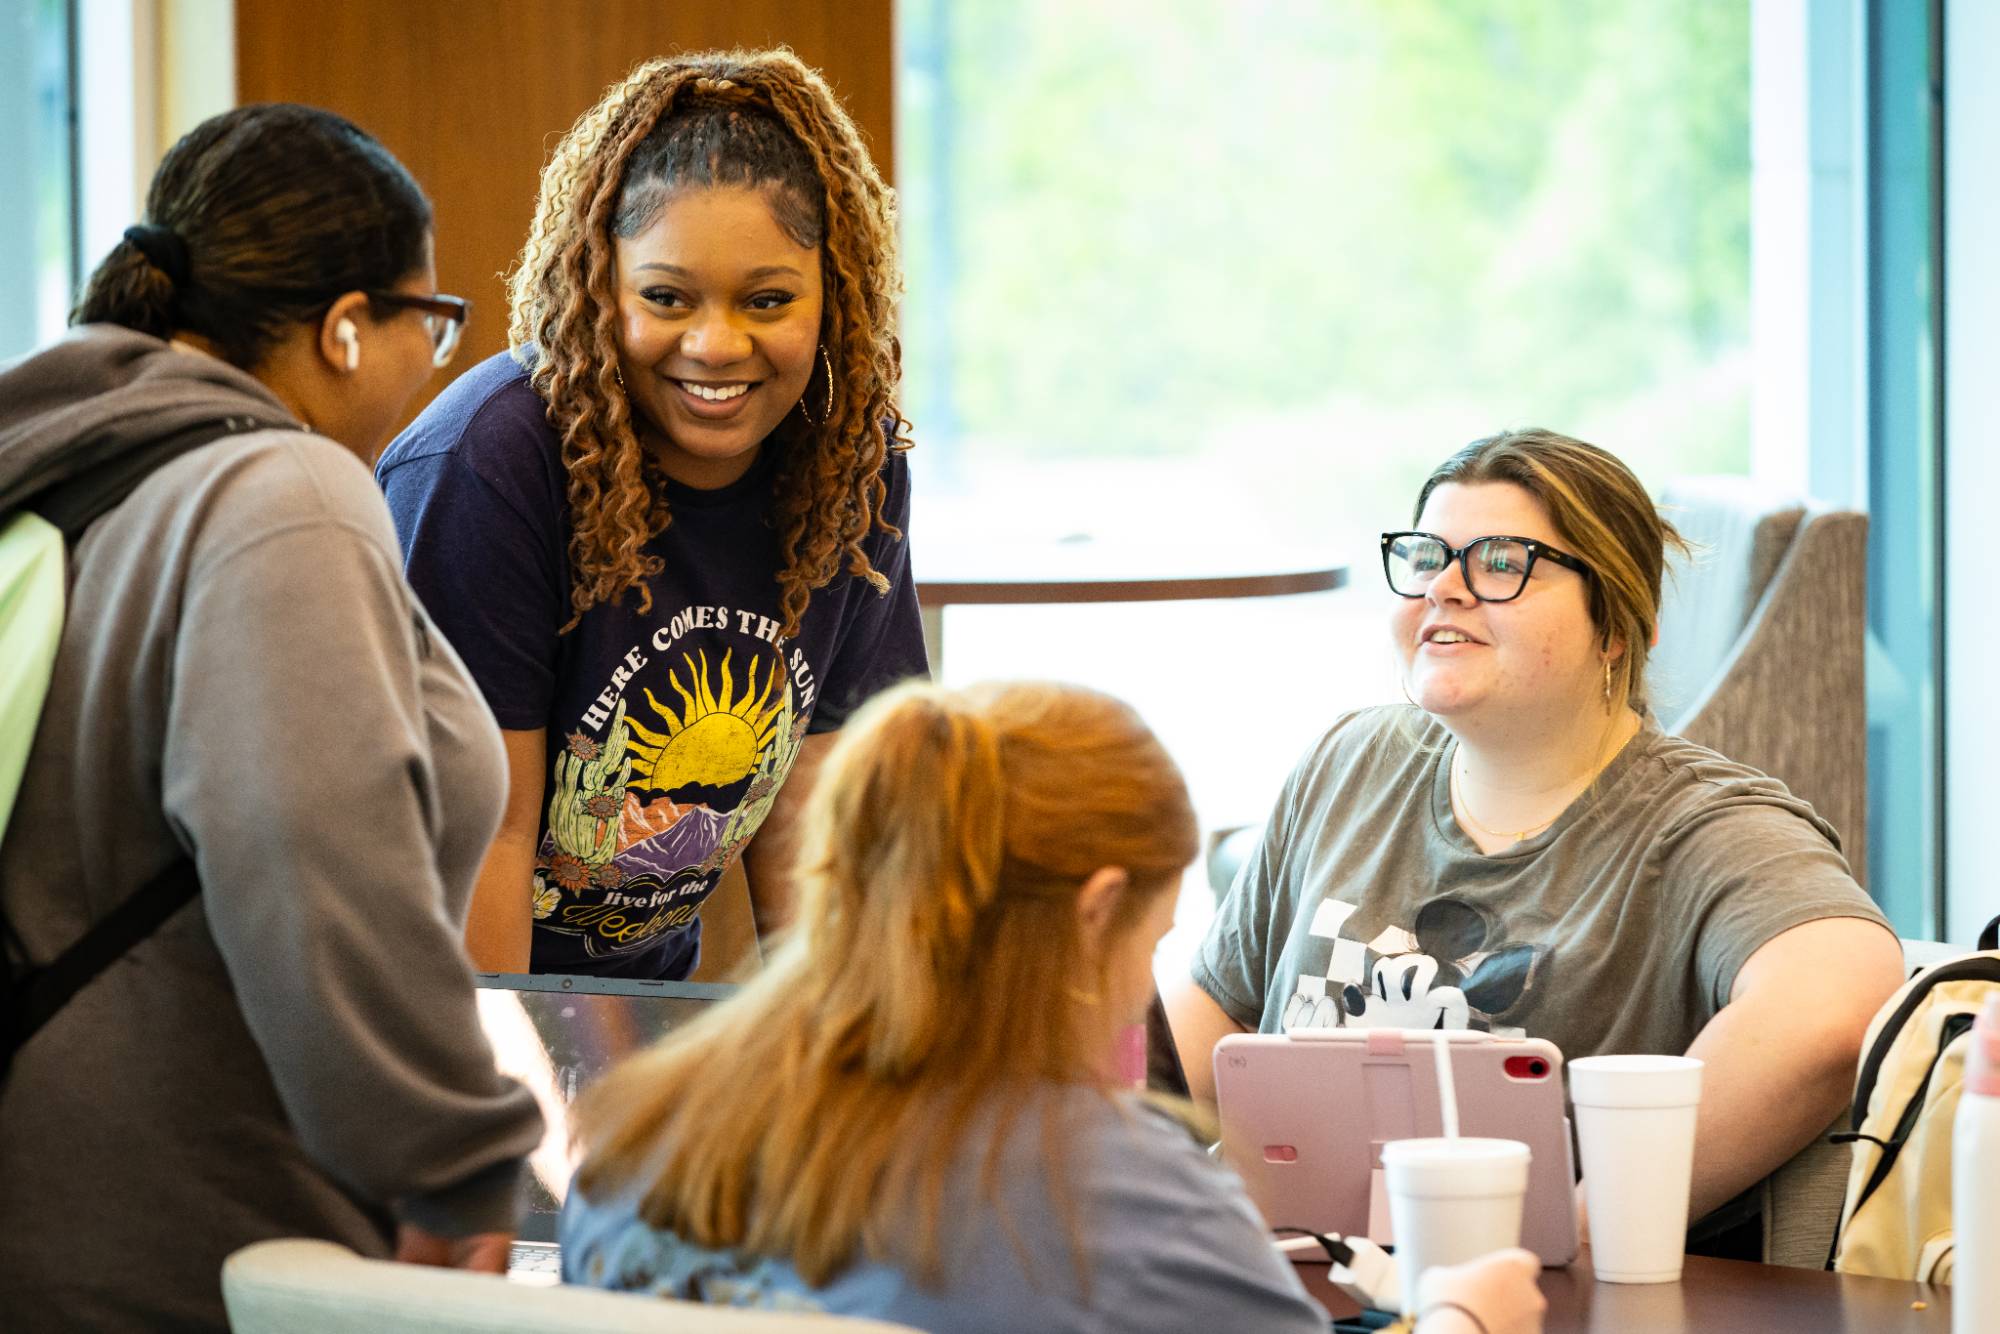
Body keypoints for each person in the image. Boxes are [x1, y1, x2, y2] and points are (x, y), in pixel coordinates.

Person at [0, 104, 541, 1332]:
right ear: (347, 327)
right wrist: (453, 1150)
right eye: (432, 323)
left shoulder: (74, 463)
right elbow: (309, 842)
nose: (434, 362)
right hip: (184, 1241)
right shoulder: (281, 489)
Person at [557, 680, 1547, 1334]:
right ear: (1095, 910)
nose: (1138, 990)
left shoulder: (642, 1133)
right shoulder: (1117, 1205)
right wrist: (1460, 1320)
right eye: (1149, 940)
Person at [1166, 428, 1905, 1245]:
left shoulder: (1702, 827)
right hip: (1281, 1284)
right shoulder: (1350, 760)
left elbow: (1839, 1007)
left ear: (1617, 626)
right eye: (1426, 557)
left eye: (1501, 562)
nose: (1444, 588)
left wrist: (1577, 1235)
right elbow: (1208, 1019)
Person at [377, 49, 926, 981]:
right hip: (437, 1008)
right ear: (601, 287)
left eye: (768, 299)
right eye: (666, 298)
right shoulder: (492, 465)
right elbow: (491, 837)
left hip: (631, 1003)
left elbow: (812, 829)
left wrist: (845, 1087)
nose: (717, 344)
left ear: (834, 296)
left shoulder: (847, 462)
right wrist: (509, 1113)